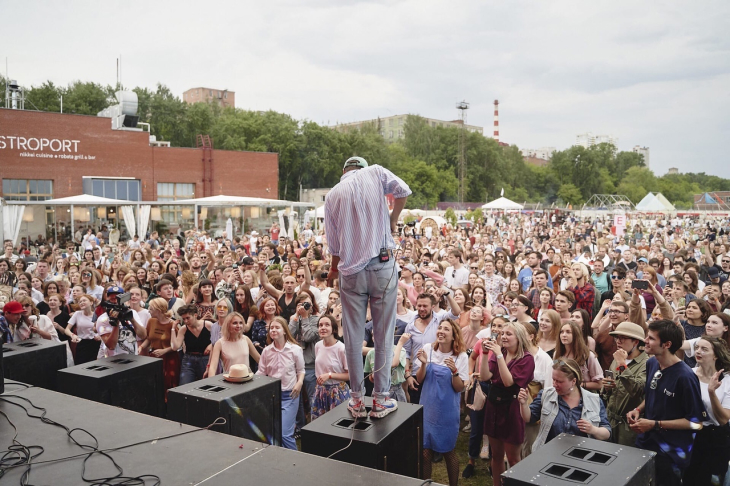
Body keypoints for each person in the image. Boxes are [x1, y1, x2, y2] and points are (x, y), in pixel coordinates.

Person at [325, 155, 411, 419]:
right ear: (362, 168)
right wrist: (393, 219)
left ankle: (356, 401)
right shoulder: (375, 172)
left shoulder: (332, 195)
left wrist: (332, 269)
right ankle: (381, 400)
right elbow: (403, 191)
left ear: (343, 171)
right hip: (382, 265)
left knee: (352, 336)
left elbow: (335, 246)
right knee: (384, 335)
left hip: (350, 272)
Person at [627, 319, 707, 486]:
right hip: (646, 443)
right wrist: (638, 409)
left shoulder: (685, 377)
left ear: (667, 344)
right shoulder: (652, 363)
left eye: (651, 338)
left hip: (670, 453)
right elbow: (652, 393)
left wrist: (655, 424)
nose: (645, 341)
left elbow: (696, 424)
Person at [480, 322, 535, 486]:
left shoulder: (526, 358)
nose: (503, 336)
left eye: (508, 334)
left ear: (519, 337)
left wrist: (498, 356)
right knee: (496, 455)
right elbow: (484, 377)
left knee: (513, 457)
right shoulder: (501, 352)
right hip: (493, 405)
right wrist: (484, 354)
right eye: (502, 333)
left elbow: (508, 382)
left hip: (511, 407)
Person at [416, 319, 467, 486]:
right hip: (428, 408)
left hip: (447, 411)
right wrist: (423, 364)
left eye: (446, 329)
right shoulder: (428, 349)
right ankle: (426, 483)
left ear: (454, 336)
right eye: (440, 328)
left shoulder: (460, 356)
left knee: (448, 452)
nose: (441, 331)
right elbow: (420, 379)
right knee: (425, 452)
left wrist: (454, 372)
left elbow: (459, 388)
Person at [519, 358, 611, 450]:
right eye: (553, 380)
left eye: (559, 381)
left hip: (580, 457)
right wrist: (523, 404)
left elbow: (607, 433)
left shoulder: (594, 400)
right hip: (549, 454)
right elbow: (529, 418)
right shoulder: (546, 395)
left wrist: (593, 430)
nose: (554, 384)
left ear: (573, 381)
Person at [256, 317, 305, 450]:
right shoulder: (266, 351)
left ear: (284, 331)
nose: (273, 330)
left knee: (285, 434)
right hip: (272, 397)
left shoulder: (295, 349)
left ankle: (294, 461)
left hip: (290, 395)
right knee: (273, 432)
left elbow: (301, 371)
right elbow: (261, 372)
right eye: (271, 328)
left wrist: (299, 382)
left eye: (277, 327)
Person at [404, 290, 461, 404]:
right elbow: (405, 352)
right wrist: (408, 375)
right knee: (417, 413)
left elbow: (456, 312)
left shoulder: (441, 319)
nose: (421, 308)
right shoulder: (410, 326)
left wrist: (448, 294)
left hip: (438, 374)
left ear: (433, 306)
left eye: (425, 306)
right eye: (419, 305)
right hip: (417, 374)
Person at [601, 321, 648, 445]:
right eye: (617, 338)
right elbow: (610, 394)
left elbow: (637, 390)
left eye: (623, 338)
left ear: (636, 342)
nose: (618, 341)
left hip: (629, 427)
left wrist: (622, 364)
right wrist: (607, 388)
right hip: (610, 421)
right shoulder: (618, 358)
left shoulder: (646, 364)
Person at [311, 314, 350, 419]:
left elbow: (349, 375)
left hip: (337, 392)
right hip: (320, 391)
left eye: (327, 325)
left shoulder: (341, 348)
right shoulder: (318, 345)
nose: (323, 327)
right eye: (320, 325)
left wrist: (329, 375)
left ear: (333, 329)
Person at [141, 298, 181, 391]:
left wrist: (165, 350)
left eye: (151, 309)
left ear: (158, 310)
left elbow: (178, 345)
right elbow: (148, 338)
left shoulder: (172, 324)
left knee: (168, 384)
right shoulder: (151, 321)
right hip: (154, 357)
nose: (148, 311)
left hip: (169, 359)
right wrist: (141, 347)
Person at [206, 312, 260, 376]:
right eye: (235, 323)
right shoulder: (219, 343)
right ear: (228, 325)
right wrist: (211, 383)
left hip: (247, 380)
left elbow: (259, 359)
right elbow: (213, 368)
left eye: (241, 323)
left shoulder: (246, 339)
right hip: (229, 381)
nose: (238, 326)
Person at [554, 320, 603, 391]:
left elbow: (599, 384)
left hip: (583, 396)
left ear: (576, 335)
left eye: (568, 332)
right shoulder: (557, 354)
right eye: (561, 332)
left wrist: (580, 384)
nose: (564, 335)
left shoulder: (588, 356)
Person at [173, 304, 214, 385]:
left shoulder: (208, 325)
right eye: (183, 319)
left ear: (195, 315)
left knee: (206, 385)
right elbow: (175, 347)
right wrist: (172, 329)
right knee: (184, 384)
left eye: (188, 318)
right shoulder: (184, 329)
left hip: (205, 358)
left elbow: (218, 340)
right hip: (189, 359)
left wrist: (211, 345)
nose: (185, 321)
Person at [66, 294, 101, 364]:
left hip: (95, 343)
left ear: (91, 302)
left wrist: (100, 336)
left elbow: (103, 330)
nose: (82, 303)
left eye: (84, 300)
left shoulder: (97, 315)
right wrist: (73, 335)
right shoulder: (77, 314)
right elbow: (66, 329)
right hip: (82, 343)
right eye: (80, 302)